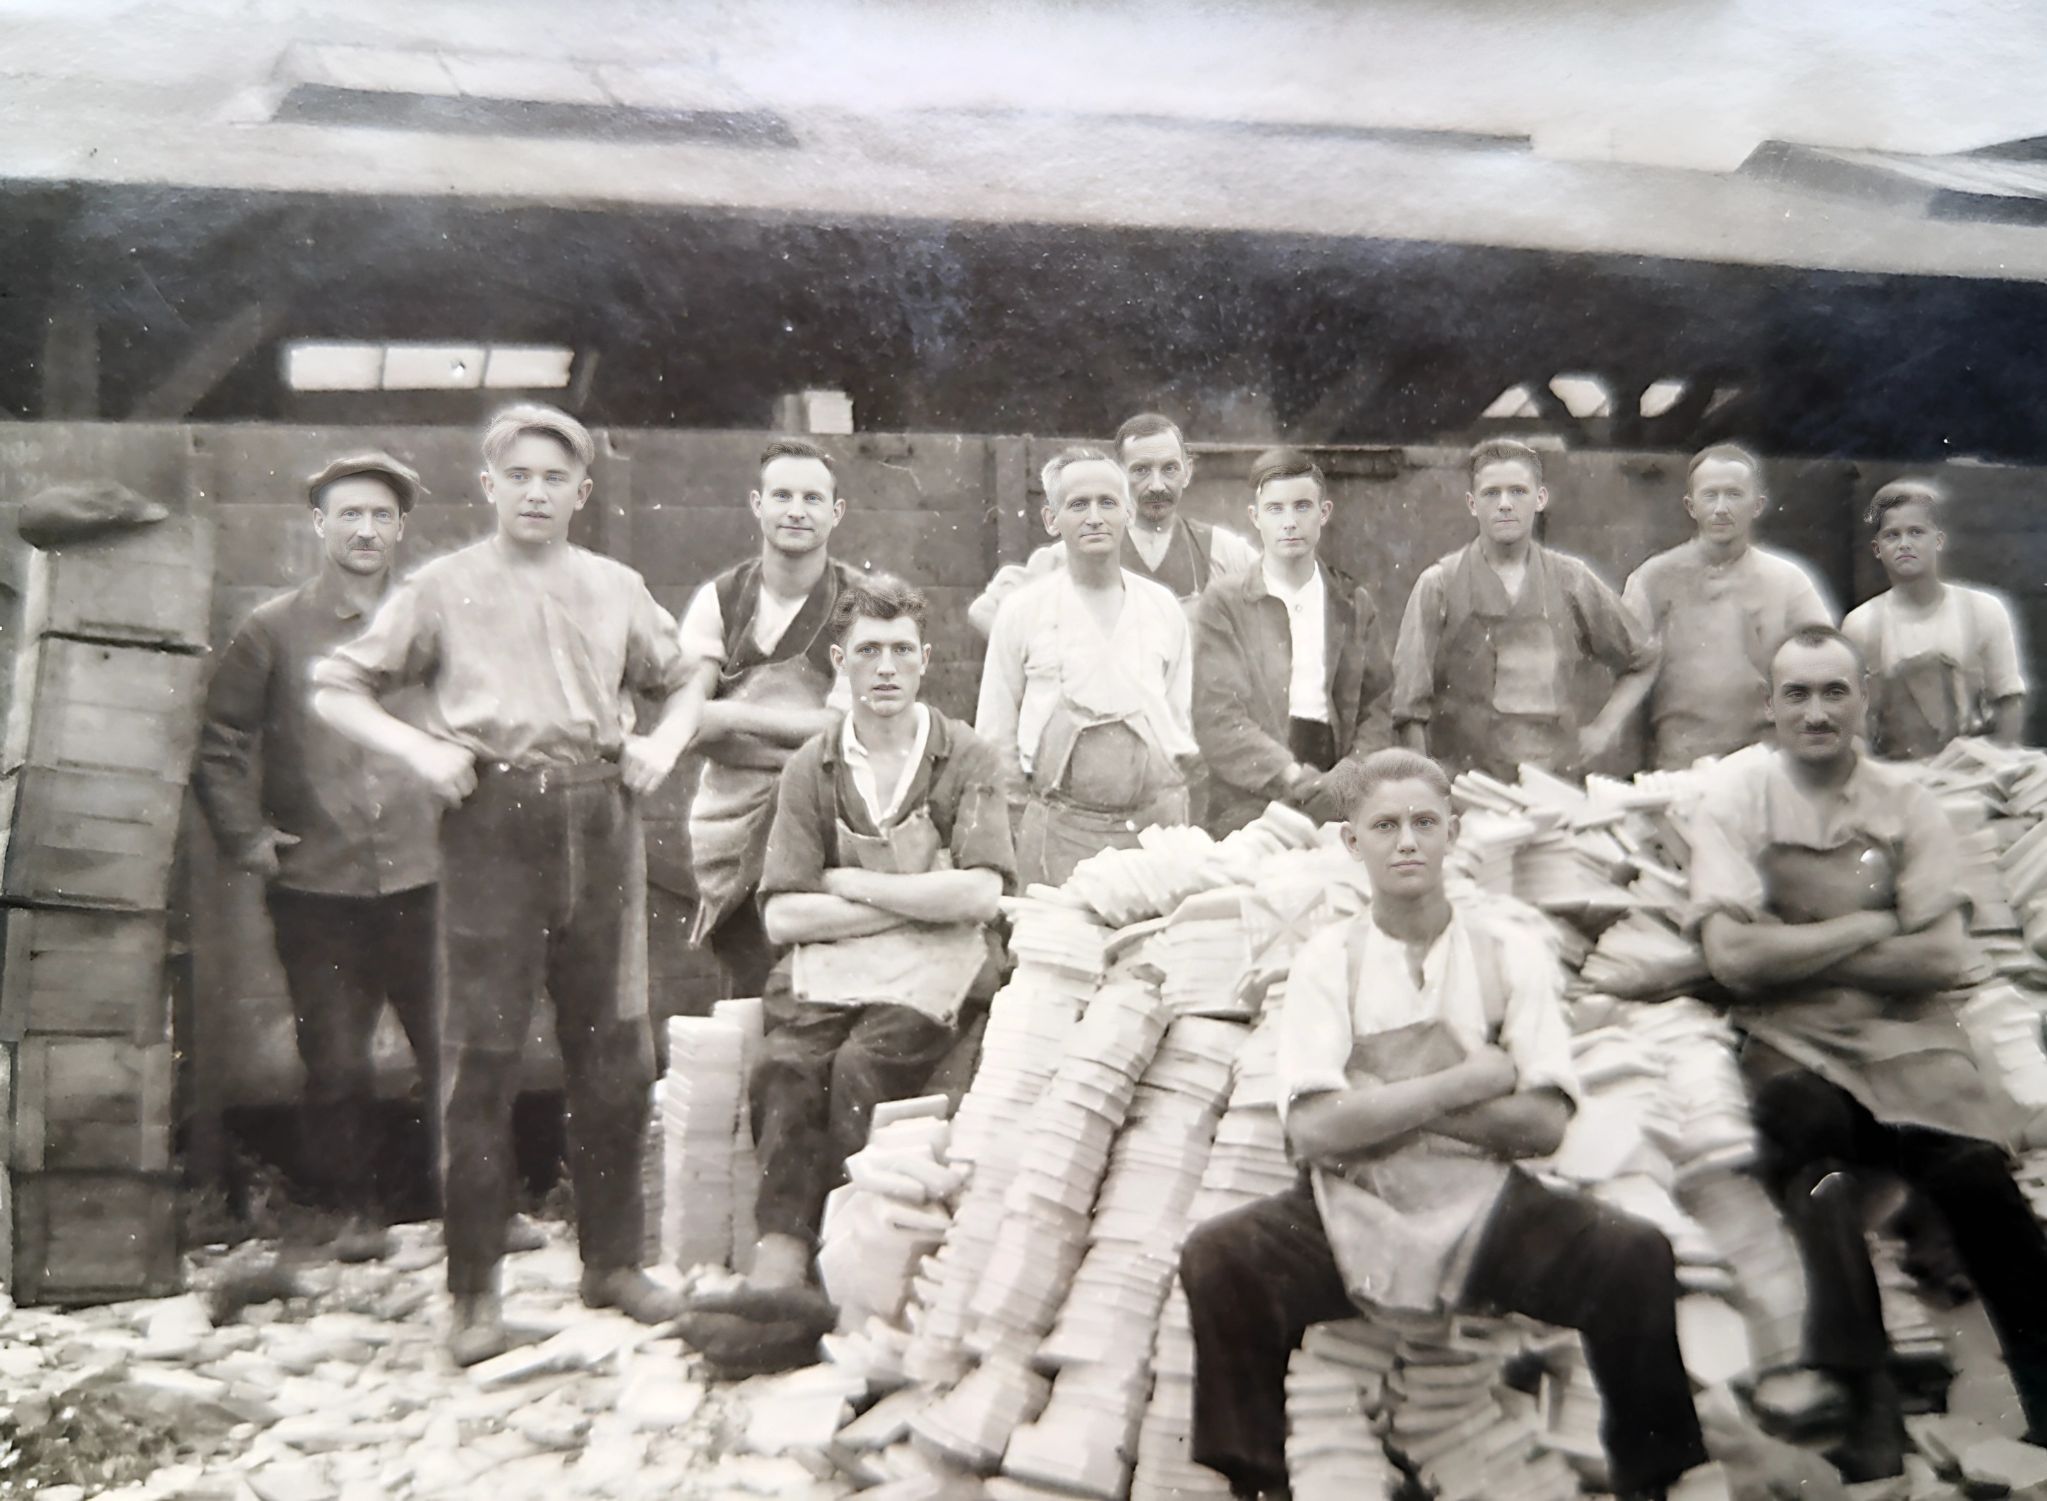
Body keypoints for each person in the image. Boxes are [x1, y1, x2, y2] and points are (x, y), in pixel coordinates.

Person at [1180, 749, 1821, 1501]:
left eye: (1424, 821)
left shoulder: (1508, 953)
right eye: (1384, 825)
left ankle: (1660, 1474)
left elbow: (1544, 1121)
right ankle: (1256, 1481)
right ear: (1350, 844)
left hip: (1482, 1209)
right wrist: (1464, 1080)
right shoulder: (1327, 962)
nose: (1407, 841)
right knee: (1220, 1258)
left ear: (1454, 830)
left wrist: (1385, 1106)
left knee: (1632, 1256)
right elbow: (1315, 1130)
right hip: (1349, 1208)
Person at [312, 404, 693, 1365]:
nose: (535, 491)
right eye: (517, 474)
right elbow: (335, 685)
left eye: (553, 478)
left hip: (600, 817)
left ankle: (613, 1263)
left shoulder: (615, 586)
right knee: (478, 1061)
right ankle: (474, 1294)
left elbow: (685, 677)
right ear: (488, 484)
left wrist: (662, 741)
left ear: (580, 492)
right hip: (491, 821)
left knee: (614, 1050)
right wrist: (418, 750)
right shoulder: (442, 587)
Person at [1690, 625, 2047, 1483]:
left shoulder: (1906, 802)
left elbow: (1942, 957)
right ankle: (1867, 1415)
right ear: (1767, 707)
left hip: (1908, 1035)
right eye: (1797, 694)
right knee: (1820, 1178)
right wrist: (1869, 924)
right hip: (1792, 1041)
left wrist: (1797, 941)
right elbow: (1729, 959)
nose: (1816, 711)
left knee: (1972, 1173)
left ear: (1863, 701)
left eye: (1834, 691)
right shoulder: (1735, 799)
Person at [687, 576, 1013, 1362]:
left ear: (926, 660)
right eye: (868, 651)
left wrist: (857, 884)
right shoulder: (815, 764)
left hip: (934, 966)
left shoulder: (962, 754)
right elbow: (784, 914)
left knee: (869, 1064)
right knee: (790, 1066)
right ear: (841, 662)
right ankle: (782, 1260)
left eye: (902, 650)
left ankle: (851, 1265)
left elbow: (979, 890)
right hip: (829, 964)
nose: (887, 667)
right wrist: (911, 899)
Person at [194, 452, 441, 1264]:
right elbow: (222, 741)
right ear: (320, 526)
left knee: (455, 1047)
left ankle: (466, 1208)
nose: (365, 529)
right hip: (317, 888)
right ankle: (350, 1211)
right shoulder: (272, 628)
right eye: (349, 515)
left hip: (428, 876)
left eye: (380, 515)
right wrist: (248, 838)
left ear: (400, 528)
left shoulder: (435, 620)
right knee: (334, 1060)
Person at [666, 438, 859, 1000]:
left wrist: (733, 718)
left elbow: (853, 729)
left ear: (835, 512)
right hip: (731, 821)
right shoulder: (721, 599)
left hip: (827, 819)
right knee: (748, 986)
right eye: (782, 495)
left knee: (825, 986)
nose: (796, 509)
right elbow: (690, 711)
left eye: (812, 498)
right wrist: (717, 720)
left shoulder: (859, 605)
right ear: (757, 504)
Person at [976, 444, 1196, 887]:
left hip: (1150, 831)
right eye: (1078, 505)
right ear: (1051, 520)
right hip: (1058, 830)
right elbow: (996, 736)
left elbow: (1178, 725)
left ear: (1128, 514)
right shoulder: (1023, 610)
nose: (1094, 516)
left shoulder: (1161, 608)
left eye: (1108, 503)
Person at [1391, 438, 1658, 782]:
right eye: (1491, 493)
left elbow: (1643, 658)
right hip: (1468, 787)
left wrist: (1603, 729)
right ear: (1472, 504)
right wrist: (1429, 785)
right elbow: (1408, 706)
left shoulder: (1571, 579)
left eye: (1518, 491)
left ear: (1540, 499)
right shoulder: (1439, 585)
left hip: (1555, 782)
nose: (1505, 504)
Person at [1192, 446, 1393, 835]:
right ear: (1255, 518)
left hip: (1340, 786)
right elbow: (1217, 716)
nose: (1290, 522)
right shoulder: (1226, 603)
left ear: (1324, 513)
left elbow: (1378, 707)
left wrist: (1348, 778)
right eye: (1275, 509)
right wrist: (1289, 775)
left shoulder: (1351, 604)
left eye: (1302, 507)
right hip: (1252, 794)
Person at [1622, 444, 1836, 769]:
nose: (1721, 508)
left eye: (1734, 494)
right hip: (1678, 761)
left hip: (1766, 761)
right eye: (1710, 495)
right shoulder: (1653, 579)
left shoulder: (1789, 581)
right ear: (1690, 506)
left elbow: (1828, 666)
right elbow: (1625, 674)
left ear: (1758, 505)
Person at [966, 413, 1258, 635]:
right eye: (1141, 470)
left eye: (1169, 469)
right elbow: (984, 611)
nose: (1157, 485)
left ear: (1188, 472)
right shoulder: (1081, 549)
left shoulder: (1220, 549)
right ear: (1117, 474)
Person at [1842, 477, 2027, 760]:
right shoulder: (1861, 625)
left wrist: (1994, 766)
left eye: (1916, 532)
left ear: (1938, 540)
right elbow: (1855, 723)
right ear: (1877, 548)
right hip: (1896, 777)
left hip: (1975, 774)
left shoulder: (1984, 611)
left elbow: (2009, 702)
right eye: (1892, 535)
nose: (1905, 544)